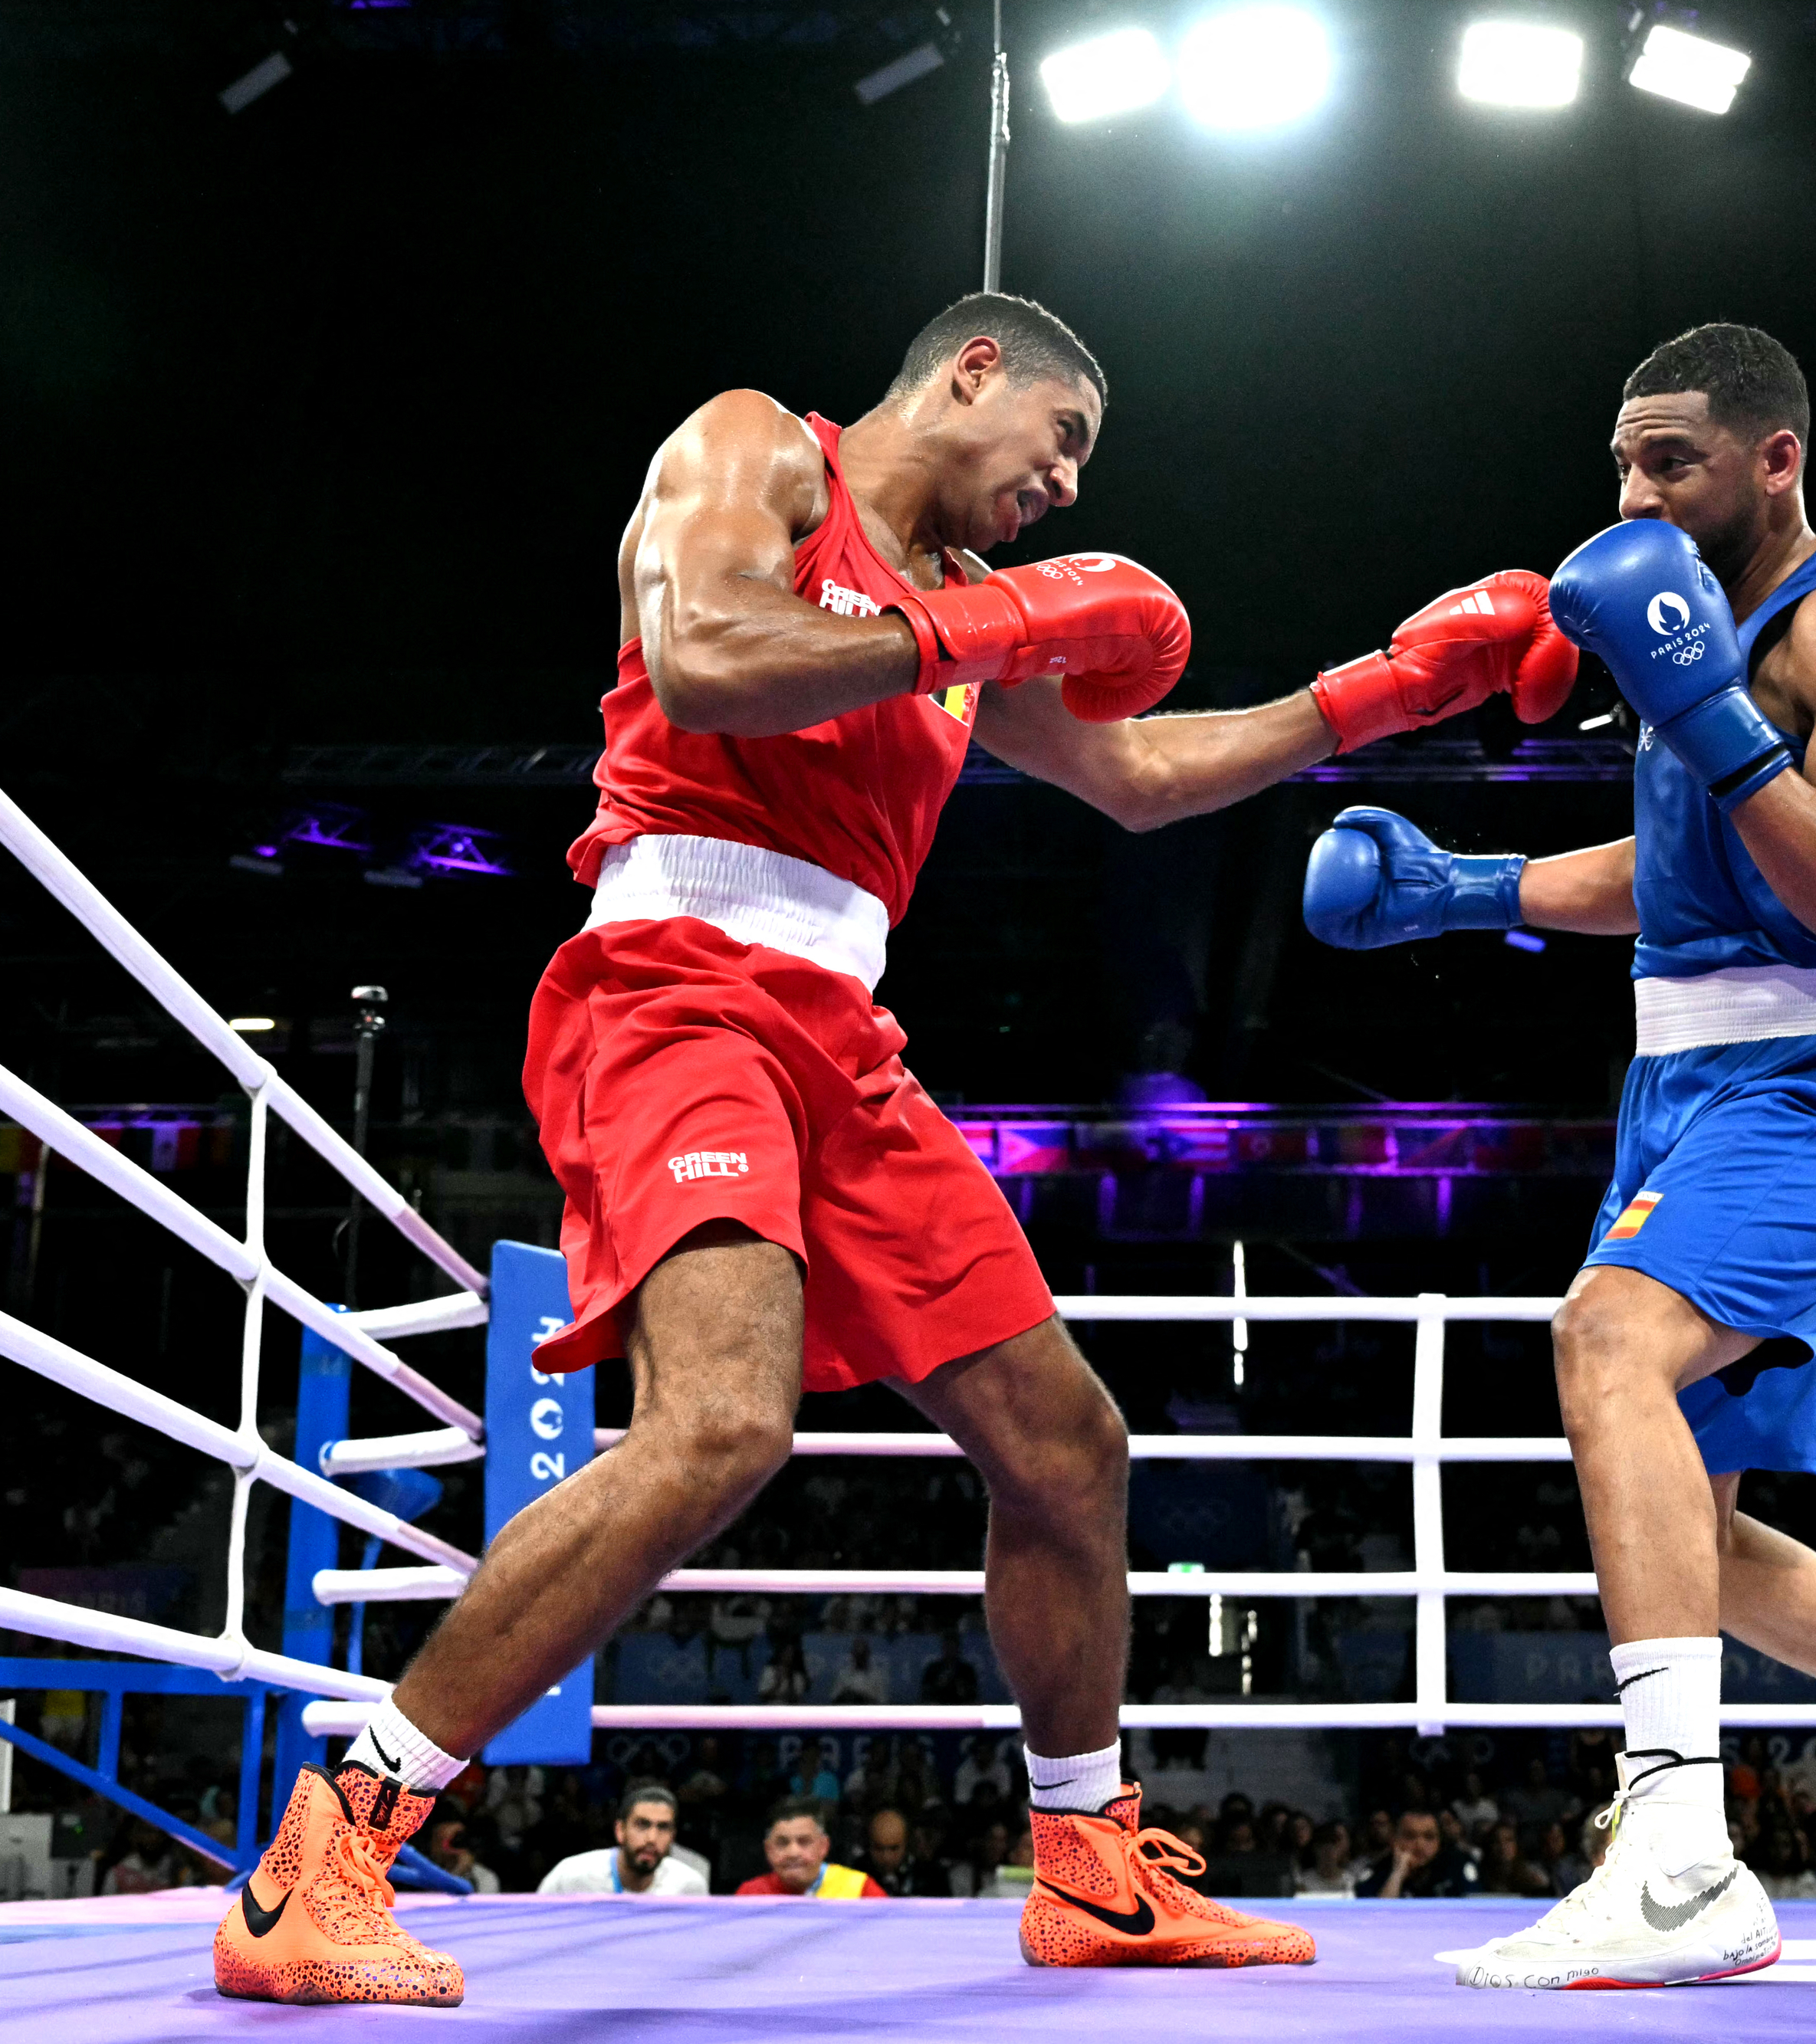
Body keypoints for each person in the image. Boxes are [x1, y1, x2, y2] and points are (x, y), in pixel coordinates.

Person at [219, 289, 1575, 2006]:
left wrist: (1379, 692)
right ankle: (327, 1852)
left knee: (1069, 1446)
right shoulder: (760, 449)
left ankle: (1087, 1865)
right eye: (1063, 440)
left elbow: (1139, 775)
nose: (1068, 486)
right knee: (720, 1423)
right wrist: (978, 627)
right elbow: (708, 656)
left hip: (843, 1037)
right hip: (677, 985)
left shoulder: (958, 607)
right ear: (974, 371)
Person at [1305, 323, 1816, 1988]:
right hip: (1679, 1082)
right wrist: (1468, 890)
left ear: (1775, 458)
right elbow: (1687, 860)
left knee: (1603, 1337)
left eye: (1670, 460)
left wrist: (1704, 708)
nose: (1633, 494)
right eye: (1621, 461)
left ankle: (1679, 1859)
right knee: (1697, 1529)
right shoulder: (1690, 616)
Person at [538, 1783, 708, 1897]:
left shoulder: (689, 1887)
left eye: (663, 1827)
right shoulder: (571, 1876)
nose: (652, 1838)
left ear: (672, 1836)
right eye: (642, 1825)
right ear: (620, 1830)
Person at [734, 1799, 882, 1899]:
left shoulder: (860, 1889)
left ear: (824, 1846)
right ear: (768, 1850)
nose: (793, 1853)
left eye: (804, 1842)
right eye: (782, 1843)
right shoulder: (750, 1895)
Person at [1357, 1808, 1477, 1899]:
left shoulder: (1458, 1866)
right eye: (1410, 1836)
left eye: (1429, 1837)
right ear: (1395, 1840)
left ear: (1439, 1842)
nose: (1420, 1846)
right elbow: (1377, 1919)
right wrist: (1397, 1874)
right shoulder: (1377, 1872)